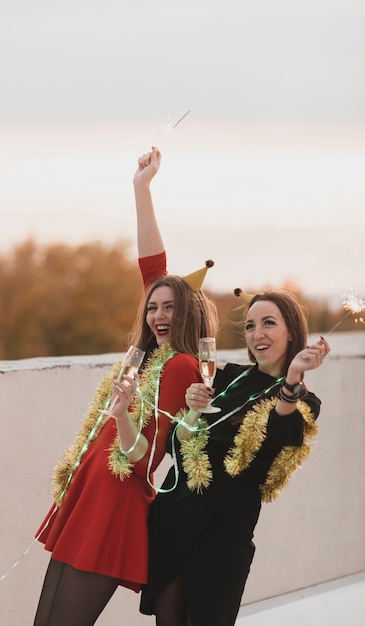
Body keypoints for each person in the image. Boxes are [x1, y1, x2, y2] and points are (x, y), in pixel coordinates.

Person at [134, 150, 331, 625]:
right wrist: (142, 191)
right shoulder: (220, 376)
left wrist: (293, 380)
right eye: (251, 326)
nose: (258, 333)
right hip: (173, 522)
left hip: (222, 542)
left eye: (270, 323)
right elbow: (161, 292)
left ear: (292, 334)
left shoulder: (302, 400)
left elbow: (278, 439)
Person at [32, 149, 218, 626]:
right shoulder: (149, 356)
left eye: (171, 307)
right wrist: (141, 188)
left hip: (112, 507)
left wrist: (119, 415)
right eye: (153, 306)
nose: (158, 313)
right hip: (90, 495)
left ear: (189, 313)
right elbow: (153, 268)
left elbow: (144, 461)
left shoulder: (179, 366)